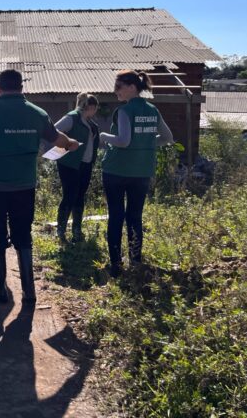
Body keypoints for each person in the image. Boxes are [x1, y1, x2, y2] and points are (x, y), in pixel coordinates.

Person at [0, 69, 79, 303]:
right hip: (24, 186)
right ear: (22, 88)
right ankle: (29, 291)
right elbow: (58, 140)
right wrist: (71, 143)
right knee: (23, 234)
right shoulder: (38, 113)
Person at [100, 70, 173, 277]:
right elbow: (167, 137)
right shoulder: (153, 110)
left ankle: (116, 264)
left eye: (119, 87)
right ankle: (135, 260)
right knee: (135, 216)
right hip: (142, 171)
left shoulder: (125, 111)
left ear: (132, 87)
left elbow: (123, 141)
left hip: (116, 170)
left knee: (116, 216)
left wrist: (105, 136)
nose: (116, 92)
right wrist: (147, 144)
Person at [53, 93, 100, 243]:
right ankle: (60, 230)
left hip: (85, 164)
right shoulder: (72, 117)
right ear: (91, 107)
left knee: (80, 195)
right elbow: (53, 131)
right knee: (70, 195)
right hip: (69, 163)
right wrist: (67, 143)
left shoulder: (90, 123)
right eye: (95, 109)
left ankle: (77, 230)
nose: (95, 112)